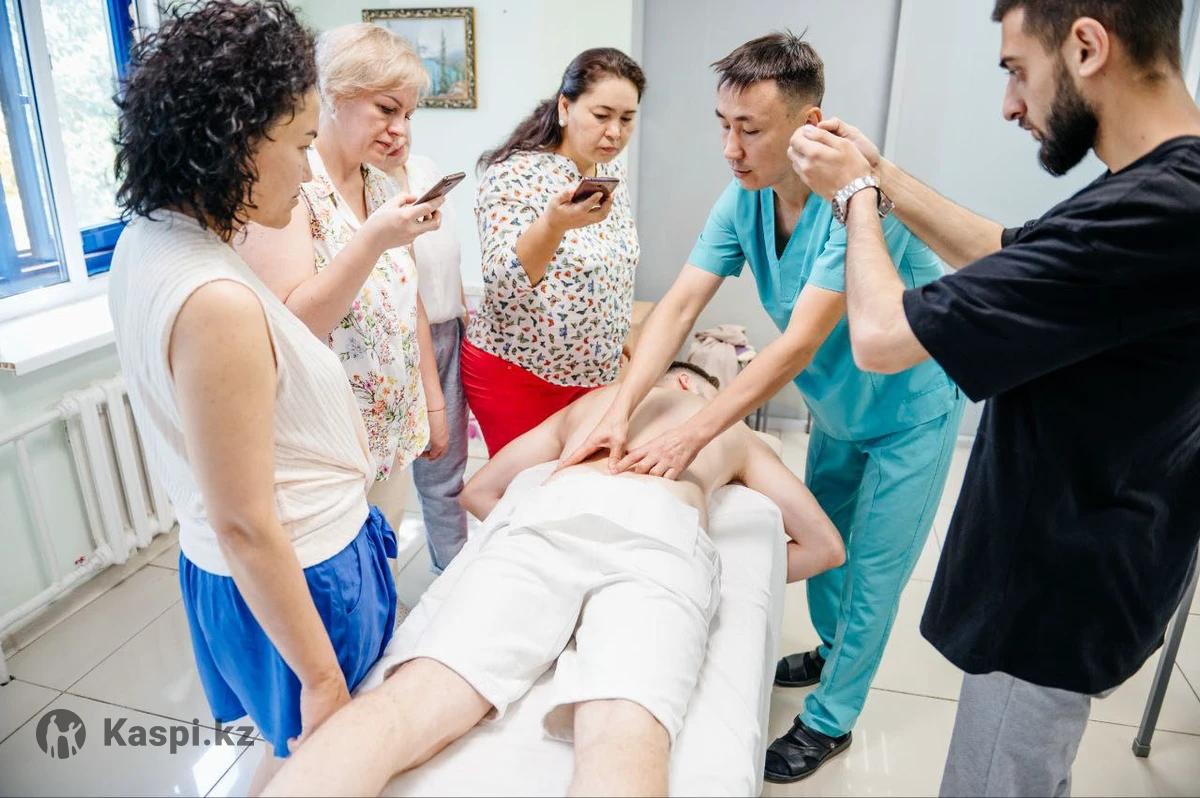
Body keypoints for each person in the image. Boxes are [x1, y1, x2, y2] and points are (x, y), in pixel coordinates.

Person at [787, 1, 1200, 795]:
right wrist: (882, 172)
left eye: (1017, 71)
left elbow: (879, 337)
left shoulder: (1154, 213)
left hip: (1055, 588)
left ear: (1086, 46)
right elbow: (1009, 252)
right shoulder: (1158, 189)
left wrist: (857, 198)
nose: (1011, 104)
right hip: (1102, 555)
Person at [562, 31, 965, 781]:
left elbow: (796, 345)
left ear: (808, 124)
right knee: (827, 542)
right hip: (837, 410)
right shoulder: (743, 201)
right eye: (723, 124)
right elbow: (681, 304)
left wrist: (691, 435)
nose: (730, 148)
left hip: (909, 414)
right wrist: (621, 407)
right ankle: (831, 648)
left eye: (749, 129)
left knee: (873, 571)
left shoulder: (858, 207)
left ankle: (832, 718)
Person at [260, 362, 844, 797]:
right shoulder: (732, 431)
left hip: (549, 517)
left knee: (408, 703)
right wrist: (726, 578)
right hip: (661, 537)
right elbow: (825, 548)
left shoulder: (595, 405)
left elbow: (479, 491)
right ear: (692, 384)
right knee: (621, 736)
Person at [108, 2, 398, 792]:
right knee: (322, 759)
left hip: (246, 569)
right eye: (301, 143)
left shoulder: (148, 240)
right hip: (299, 576)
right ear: (234, 137)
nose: (308, 172)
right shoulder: (216, 301)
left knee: (290, 753)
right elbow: (244, 520)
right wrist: (322, 676)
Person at [235, 23, 448, 530]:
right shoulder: (292, 187)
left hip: (391, 428)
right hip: (328, 442)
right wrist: (373, 239)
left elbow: (409, 299)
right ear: (332, 95)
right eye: (386, 109)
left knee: (382, 558)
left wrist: (433, 403)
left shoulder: (381, 184)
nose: (401, 129)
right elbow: (293, 327)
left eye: (408, 114)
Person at [463, 48, 645, 456]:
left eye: (627, 119)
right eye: (602, 116)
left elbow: (614, 266)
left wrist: (616, 332)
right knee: (524, 490)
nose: (615, 133)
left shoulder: (609, 173)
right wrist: (552, 225)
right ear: (565, 107)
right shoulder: (513, 174)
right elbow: (503, 283)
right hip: (520, 374)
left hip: (595, 377)